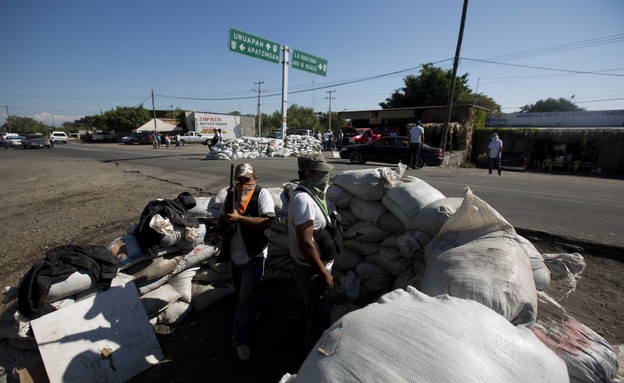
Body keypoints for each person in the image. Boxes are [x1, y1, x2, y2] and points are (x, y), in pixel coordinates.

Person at [213, 163, 275, 362]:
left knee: (245, 300)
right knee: (244, 293)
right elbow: (222, 218)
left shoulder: (262, 194)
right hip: (235, 255)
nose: (243, 184)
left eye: (247, 180)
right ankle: (263, 306)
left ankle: (240, 340)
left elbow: (266, 222)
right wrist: (222, 228)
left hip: (254, 255)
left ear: (255, 178)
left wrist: (239, 219)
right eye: (239, 180)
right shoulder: (231, 195)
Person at [287, 153, 335, 354]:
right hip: (312, 271)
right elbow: (306, 243)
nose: (326, 177)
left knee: (309, 312)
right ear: (309, 173)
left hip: (312, 268)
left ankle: (302, 345)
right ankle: (310, 364)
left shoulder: (312, 195)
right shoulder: (303, 199)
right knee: (318, 321)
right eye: (322, 173)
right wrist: (324, 273)